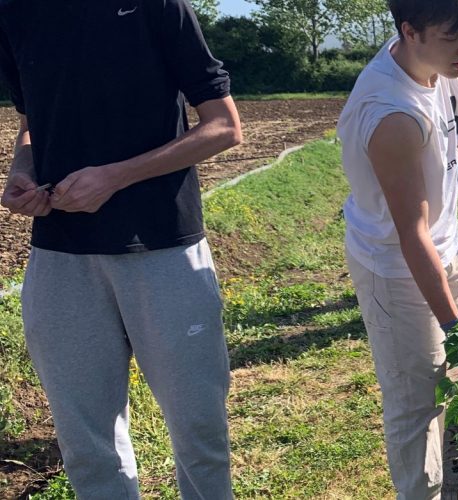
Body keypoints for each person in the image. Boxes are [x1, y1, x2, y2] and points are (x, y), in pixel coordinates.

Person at [0, 1, 242, 497]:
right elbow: (32, 118)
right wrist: (21, 170)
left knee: (199, 436)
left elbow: (223, 126)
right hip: (61, 256)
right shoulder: (14, 12)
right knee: (88, 448)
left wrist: (115, 177)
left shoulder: (159, 5)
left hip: (164, 250)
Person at [336, 0, 458, 497]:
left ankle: (454, 479)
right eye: (453, 37)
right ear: (410, 32)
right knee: (415, 403)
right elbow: (410, 235)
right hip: (396, 268)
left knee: (452, 380)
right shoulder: (391, 115)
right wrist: (453, 322)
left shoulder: (441, 66)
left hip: (444, 251)